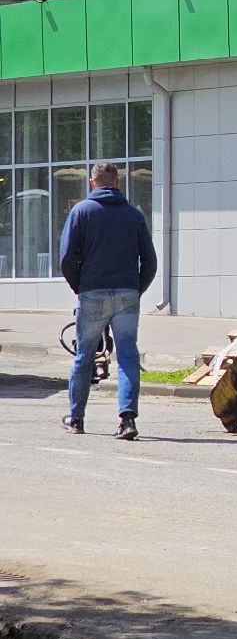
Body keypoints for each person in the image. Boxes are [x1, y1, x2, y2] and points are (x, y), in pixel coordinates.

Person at [59, 162, 157, 439]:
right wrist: (136, 288)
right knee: (127, 356)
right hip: (127, 293)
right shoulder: (134, 215)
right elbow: (149, 260)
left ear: (92, 183)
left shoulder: (81, 212)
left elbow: (67, 258)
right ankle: (127, 420)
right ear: (118, 184)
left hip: (92, 292)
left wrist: (81, 287)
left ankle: (76, 418)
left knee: (84, 356)